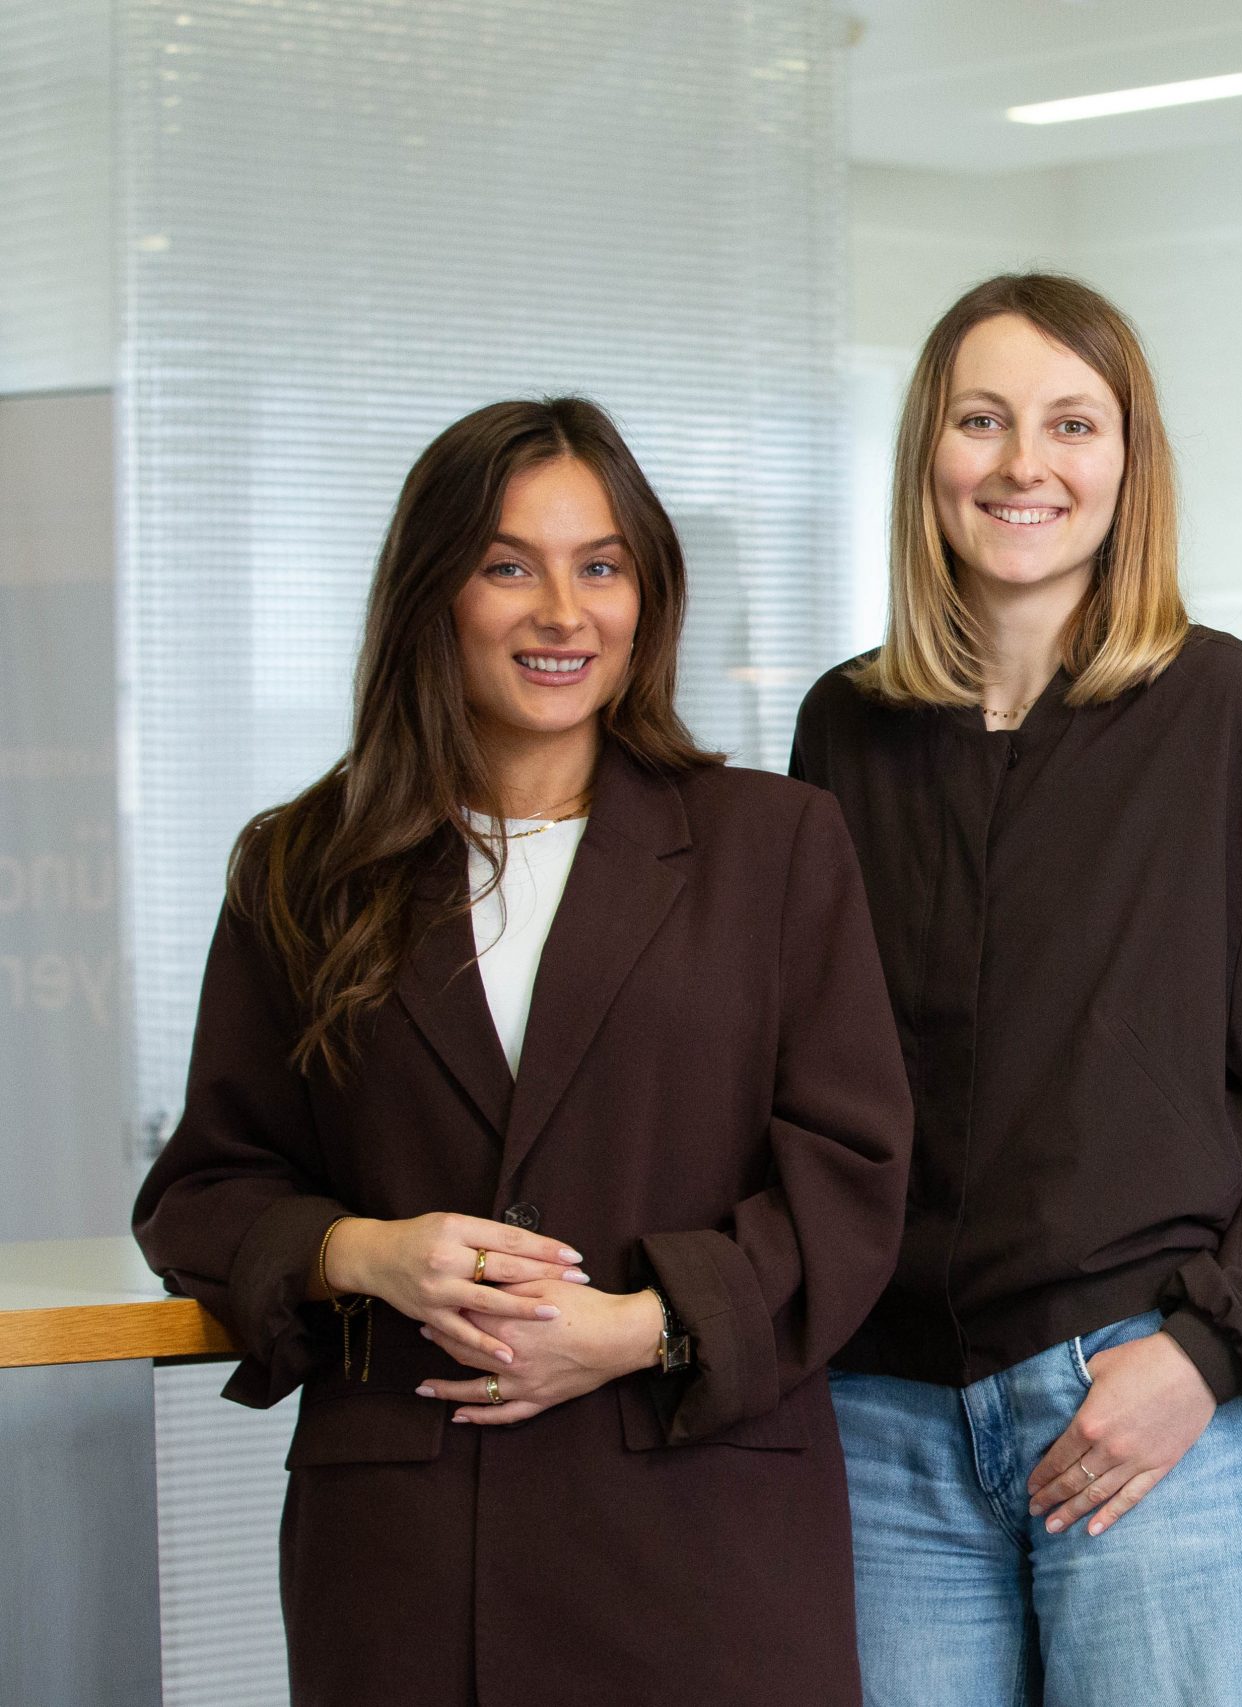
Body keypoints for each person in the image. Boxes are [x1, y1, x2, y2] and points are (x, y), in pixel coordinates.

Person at [132, 398, 913, 1705]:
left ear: (646, 595)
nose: (564, 610)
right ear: (434, 592)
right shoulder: (302, 867)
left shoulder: (774, 846)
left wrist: (645, 1328)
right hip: (412, 1568)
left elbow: (852, 1183)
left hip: (700, 1542)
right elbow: (206, 1193)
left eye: (599, 565)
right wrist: (364, 1252)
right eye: (511, 565)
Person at [789, 273, 1242, 1707]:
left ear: (1130, 462)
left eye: (1072, 423)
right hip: (886, 1432)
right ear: (927, 450)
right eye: (981, 420)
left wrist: (1201, 1361)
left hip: (1150, 1413)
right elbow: (799, 1089)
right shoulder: (843, 731)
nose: (1023, 465)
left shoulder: (1227, 711)